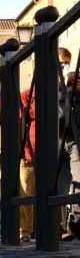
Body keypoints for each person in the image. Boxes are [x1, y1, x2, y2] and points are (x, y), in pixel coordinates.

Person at [59, 48, 80, 240]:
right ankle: (57, 226)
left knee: (78, 179)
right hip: (55, 139)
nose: (63, 67)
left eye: (66, 63)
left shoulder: (77, 82)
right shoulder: (44, 85)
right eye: (60, 63)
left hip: (74, 138)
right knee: (58, 185)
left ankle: (75, 222)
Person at [19, 87, 36, 242]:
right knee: (25, 196)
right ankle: (25, 232)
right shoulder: (26, 95)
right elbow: (18, 123)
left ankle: (54, 229)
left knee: (53, 193)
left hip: (50, 156)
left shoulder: (57, 93)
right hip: (28, 155)